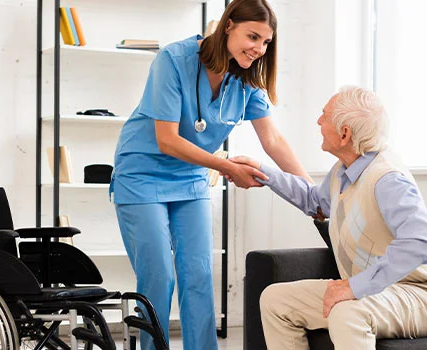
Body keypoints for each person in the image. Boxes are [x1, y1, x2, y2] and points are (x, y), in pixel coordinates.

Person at [110, 0, 312, 348]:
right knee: (159, 275)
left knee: (199, 276)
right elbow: (167, 140)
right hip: (142, 175)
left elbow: (273, 140)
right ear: (228, 25)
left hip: (190, 179)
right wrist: (227, 167)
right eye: (253, 36)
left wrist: (310, 193)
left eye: (266, 42)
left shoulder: (245, 80)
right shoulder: (174, 60)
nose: (259, 49)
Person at [230, 86, 427, 349]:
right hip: (374, 292)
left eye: (324, 115)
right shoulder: (344, 170)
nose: (318, 121)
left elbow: (424, 241)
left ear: (345, 133)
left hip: (419, 296)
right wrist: (262, 172)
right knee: (276, 300)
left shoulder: (387, 179)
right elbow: (315, 202)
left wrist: (355, 287)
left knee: (348, 311)